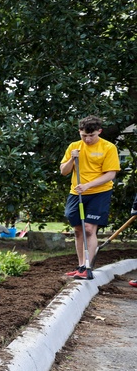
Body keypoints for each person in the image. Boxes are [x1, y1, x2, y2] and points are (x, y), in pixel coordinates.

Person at [61, 115, 119, 281]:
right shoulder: (74, 147)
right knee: (78, 230)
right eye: (83, 135)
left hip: (99, 193)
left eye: (91, 135)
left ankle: (88, 267)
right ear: (79, 132)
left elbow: (110, 174)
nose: (87, 139)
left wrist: (88, 185)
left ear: (99, 131)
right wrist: (72, 158)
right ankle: (81, 266)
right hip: (76, 193)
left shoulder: (108, 147)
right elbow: (64, 171)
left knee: (88, 229)